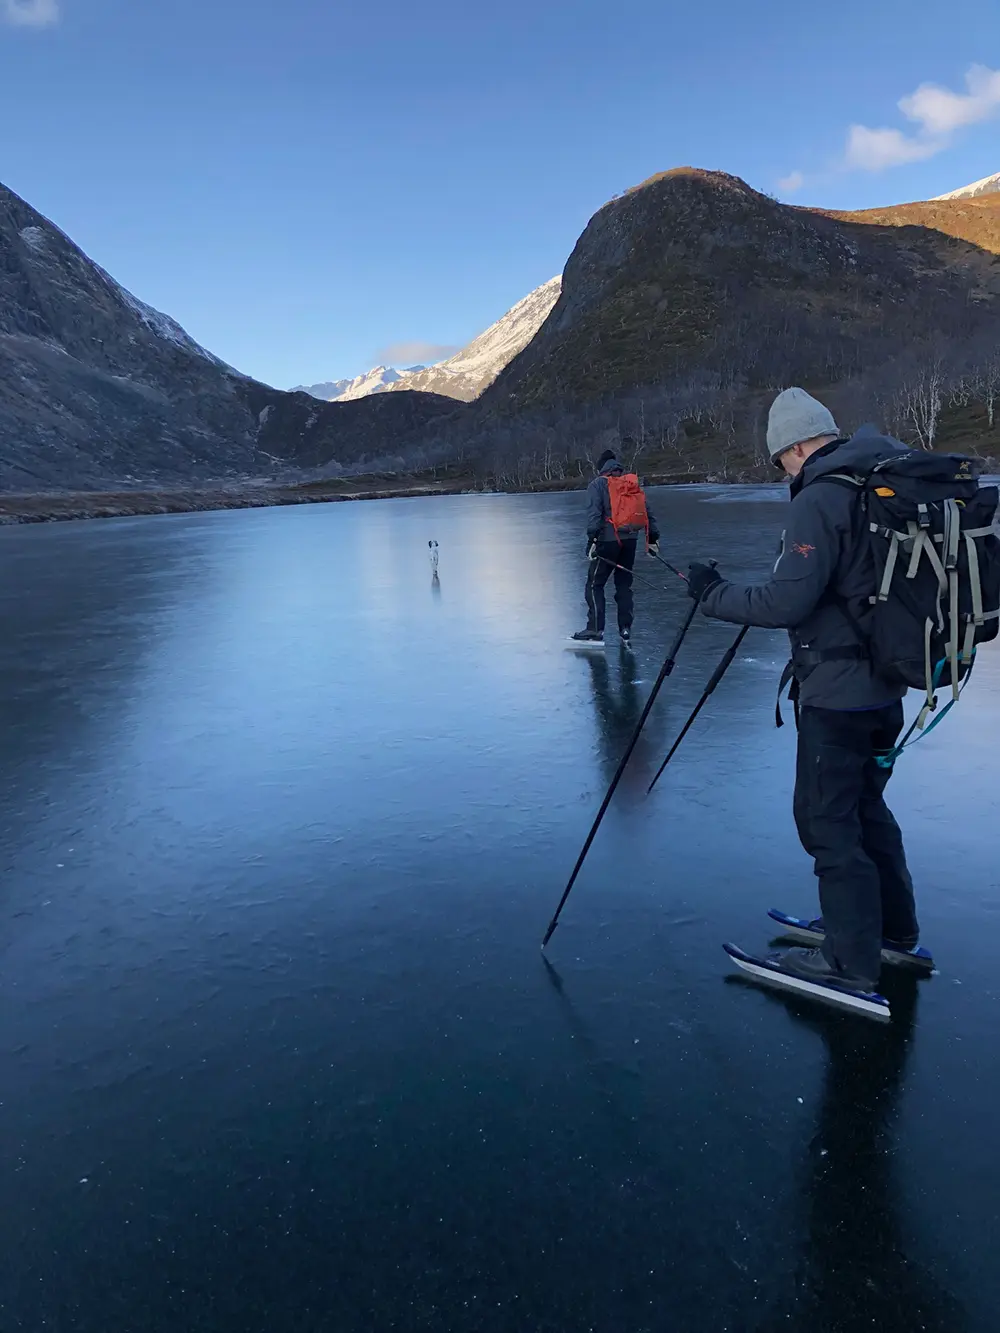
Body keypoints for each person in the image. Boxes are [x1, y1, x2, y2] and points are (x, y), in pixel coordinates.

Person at [686, 388, 919, 995]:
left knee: (826, 822)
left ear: (793, 447)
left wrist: (712, 594)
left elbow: (788, 601)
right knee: (868, 808)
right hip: (886, 686)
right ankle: (890, 933)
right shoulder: (873, 484)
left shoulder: (820, 496)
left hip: (836, 696)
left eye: (779, 461)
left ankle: (850, 962)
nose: (782, 472)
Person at [571, 448, 661, 647]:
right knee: (624, 586)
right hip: (630, 541)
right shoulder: (630, 484)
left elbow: (594, 514)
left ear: (601, 467)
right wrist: (652, 539)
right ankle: (625, 629)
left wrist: (591, 542)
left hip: (607, 542)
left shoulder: (598, 484)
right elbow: (647, 512)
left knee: (595, 585)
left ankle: (595, 629)